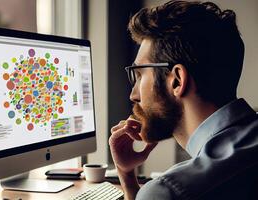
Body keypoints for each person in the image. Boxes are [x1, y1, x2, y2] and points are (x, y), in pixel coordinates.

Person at [109, 1, 258, 199]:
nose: (133, 95)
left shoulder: (170, 191)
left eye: (139, 75)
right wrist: (127, 177)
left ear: (177, 80)